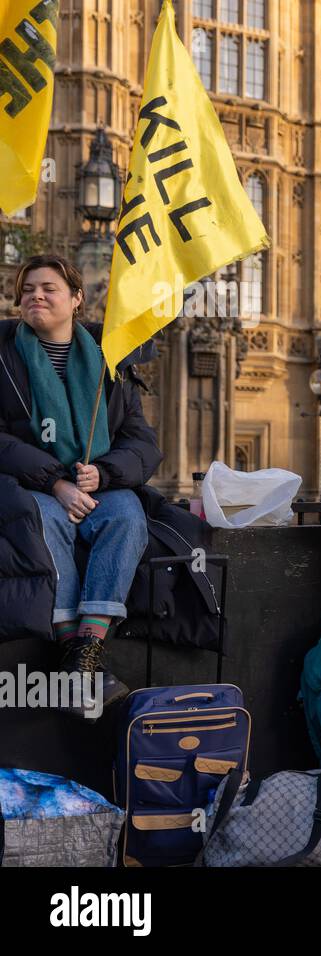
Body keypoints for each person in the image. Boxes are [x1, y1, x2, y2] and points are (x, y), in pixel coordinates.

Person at [0, 254, 160, 719]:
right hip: (26, 486)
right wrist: (55, 482)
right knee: (45, 519)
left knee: (127, 514)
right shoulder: (6, 353)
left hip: (95, 484)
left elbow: (142, 442)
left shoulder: (111, 359)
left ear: (76, 299)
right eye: (27, 289)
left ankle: (85, 651)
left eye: (48, 288)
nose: (36, 296)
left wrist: (105, 474)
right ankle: (78, 652)